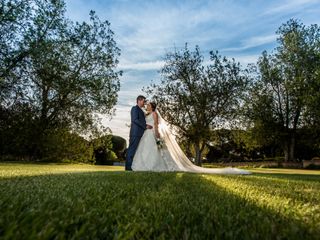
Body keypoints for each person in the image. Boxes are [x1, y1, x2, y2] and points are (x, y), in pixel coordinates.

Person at [132, 102, 250, 175]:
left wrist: (157, 134)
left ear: (152, 107)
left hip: (153, 133)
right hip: (146, 134)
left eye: (148, 105)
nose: (146, 106)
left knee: (156, 151)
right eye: (146, 105)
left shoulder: (154, 114)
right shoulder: (146, 114)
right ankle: (144, 165)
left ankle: (155, 166)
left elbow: (156, 125)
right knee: (146, 150)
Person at [125, 95, 153, 171]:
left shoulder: (141, 110)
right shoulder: (134, 109)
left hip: (140, 134)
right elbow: (135, 120)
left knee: (135, 151)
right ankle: (128, 168)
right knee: (131, 150)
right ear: (139, 100)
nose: (144, 103)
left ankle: (132, 167)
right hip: (135, 133)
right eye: (143, 101)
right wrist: (145, 126)